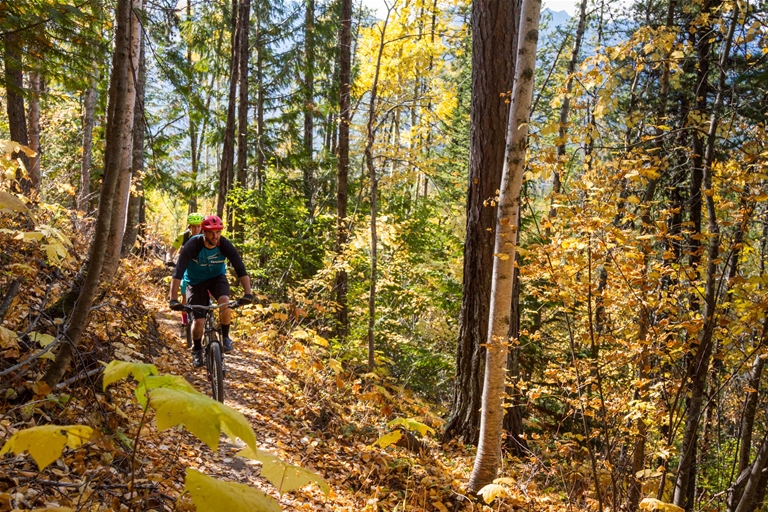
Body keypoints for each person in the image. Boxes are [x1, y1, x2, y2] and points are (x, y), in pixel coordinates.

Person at [168, 215, 253, 367]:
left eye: (218, 232)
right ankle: (197, 349)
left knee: (225, 303)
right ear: (204, 232)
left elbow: (240, 268)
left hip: (216, 279)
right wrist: (173, 299)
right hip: (195, 282)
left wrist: (248, 294)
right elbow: (178, 272)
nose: (215, 237)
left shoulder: (224, 244)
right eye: (211, 233)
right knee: (198, 321)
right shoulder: (193, 244)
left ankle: (226, 337)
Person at [165, 212, 204, 329]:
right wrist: (169, 259)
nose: (196, 229)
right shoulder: (184, 236)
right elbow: (171, 250)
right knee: (184, 294)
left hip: (203, 267)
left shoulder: (206, 235)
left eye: (199, 226)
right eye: (193, 226)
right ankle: (184, 322)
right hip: (187, 266)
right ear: (189, 226)